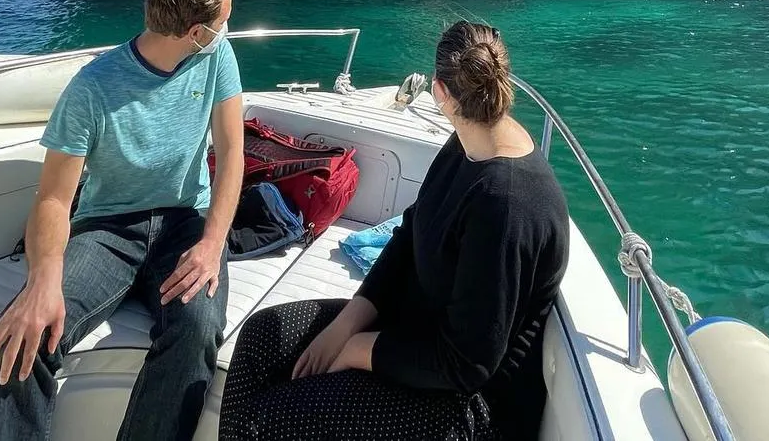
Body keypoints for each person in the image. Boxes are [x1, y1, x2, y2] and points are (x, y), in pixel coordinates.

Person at [220, 22, 569, 441]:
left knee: (264, 423)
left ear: (439, 93)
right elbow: (408, 237)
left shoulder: (507, 203)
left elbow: (467, 364)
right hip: (414, 333)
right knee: (262, 339)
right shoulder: (467, 144)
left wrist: (357, 350)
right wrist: (346, 325)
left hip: (468, 406)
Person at [0, 0, 245, 441]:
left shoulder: (217, 59)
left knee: (198, 330)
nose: (229, 29)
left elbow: (231, 156)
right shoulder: (91, 89)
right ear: (195, 32)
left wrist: (212, 244)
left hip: (187, 222)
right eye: (224, 21)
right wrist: (43, 279)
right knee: (22, 335)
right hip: (107, 231)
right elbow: (55, 200)